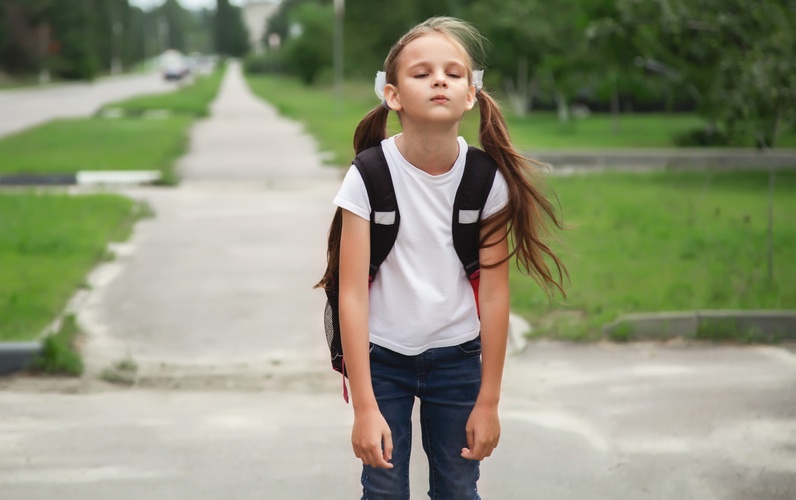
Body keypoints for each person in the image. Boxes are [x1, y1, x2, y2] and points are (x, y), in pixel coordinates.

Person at [329, 16, 567, 499]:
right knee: (384, 490)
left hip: (458, 359)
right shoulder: (368, 176)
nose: (439, 79)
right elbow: (350, 295)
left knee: (458, 489)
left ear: (471, 94)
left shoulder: (485, 181)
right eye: (421, 73)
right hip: (383, 360)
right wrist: (364, 409)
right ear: (393, 95)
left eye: (453, 73)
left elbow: (496, 296)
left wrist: (489, 401)